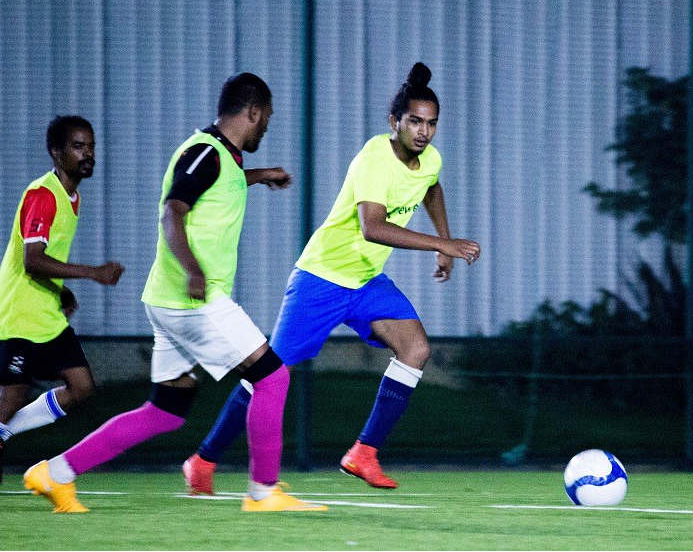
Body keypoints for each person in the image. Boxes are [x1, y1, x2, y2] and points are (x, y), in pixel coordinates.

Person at [23, 73, 325, 513]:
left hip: (168, 302)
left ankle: (55, 472)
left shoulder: (218, 155)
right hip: (195, 302)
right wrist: (193, 270)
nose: (267, 128)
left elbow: (217, 185)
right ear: (253, 112)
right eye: (267, 120)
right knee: (273, 377)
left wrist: (260, 176)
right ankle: (264, 492)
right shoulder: (207, 152)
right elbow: (173, 209)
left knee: (165, 410)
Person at [182, 62, 480, 494]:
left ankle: (364, 453)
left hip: (365, 281)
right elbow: (371, 227)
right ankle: (203, 460)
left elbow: (431, 185)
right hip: (322, 278)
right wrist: (442, 246)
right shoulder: (375, 157)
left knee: (415, 349)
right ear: (394, 121)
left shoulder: (430, 158)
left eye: (431, 123)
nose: (424, 131)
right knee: (267, 374)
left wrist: (444, 238)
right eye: (415, 121)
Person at [0, 116, 125, 483]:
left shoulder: (72, 195)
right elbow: (33, 259)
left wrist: (63, 289)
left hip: (46, 312)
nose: (87, 153)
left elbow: (44, 257)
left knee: (82, 387)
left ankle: (3, 433)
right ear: (56, 153)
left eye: (91, 146)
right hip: (20, 313)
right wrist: (92, 273)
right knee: (11, 399)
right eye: (77, 146)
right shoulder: (43, 195)